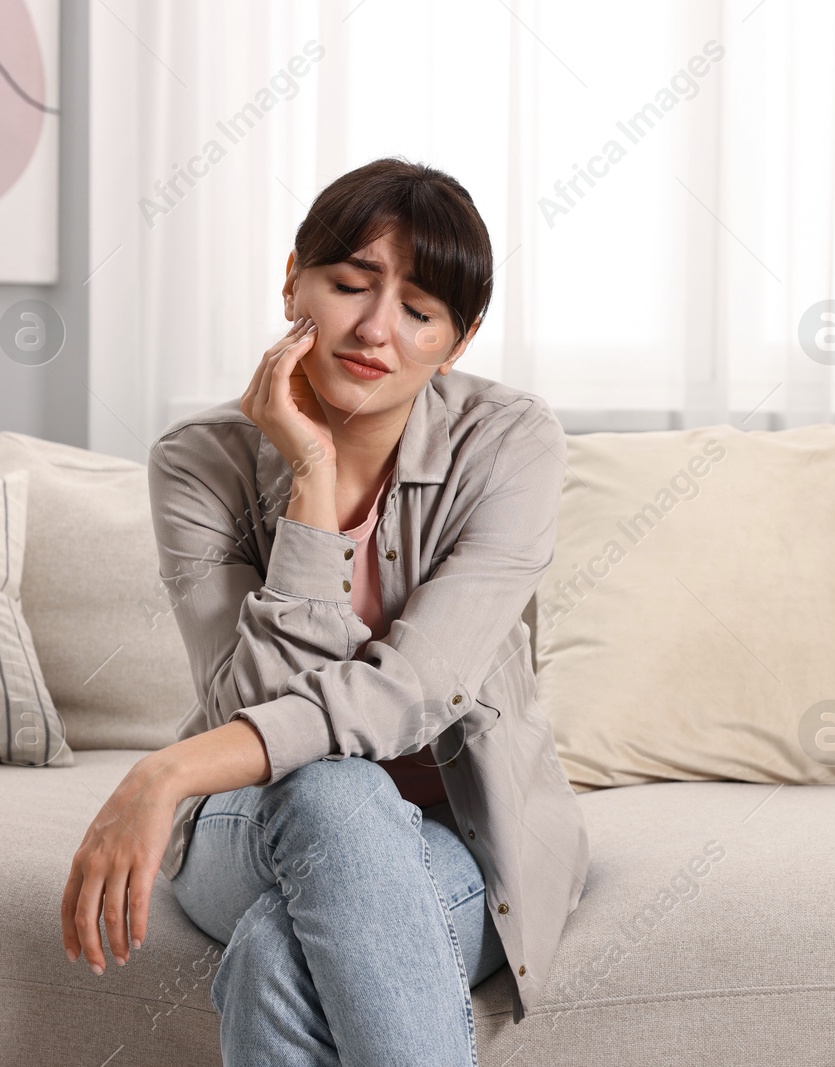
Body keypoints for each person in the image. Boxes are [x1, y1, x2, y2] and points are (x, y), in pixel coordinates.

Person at [58, 157, 590, 1067]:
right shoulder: (199, 465)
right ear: (295, 276)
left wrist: (164, 772)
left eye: (420, 312)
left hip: (458, 833)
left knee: (275, 956)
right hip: (250, 824)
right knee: (329, 786)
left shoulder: (509, 443)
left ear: (455, 344)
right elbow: (245, 702)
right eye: (350, 284)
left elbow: (414, 690)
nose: (377, 328)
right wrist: (311, 480)